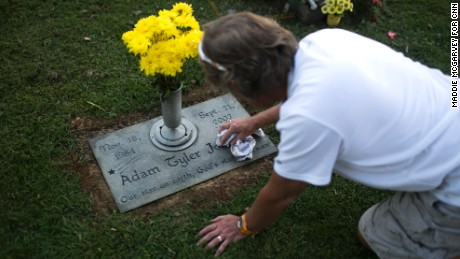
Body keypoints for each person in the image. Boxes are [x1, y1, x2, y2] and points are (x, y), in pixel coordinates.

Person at [196, 12, 460, 258]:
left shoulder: (307, 121)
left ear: (249, 89)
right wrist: (254, 122)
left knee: (371, 233)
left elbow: (281, 194)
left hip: (454, 182)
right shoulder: (325, 40)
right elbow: (315, 94)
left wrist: (242, 226)